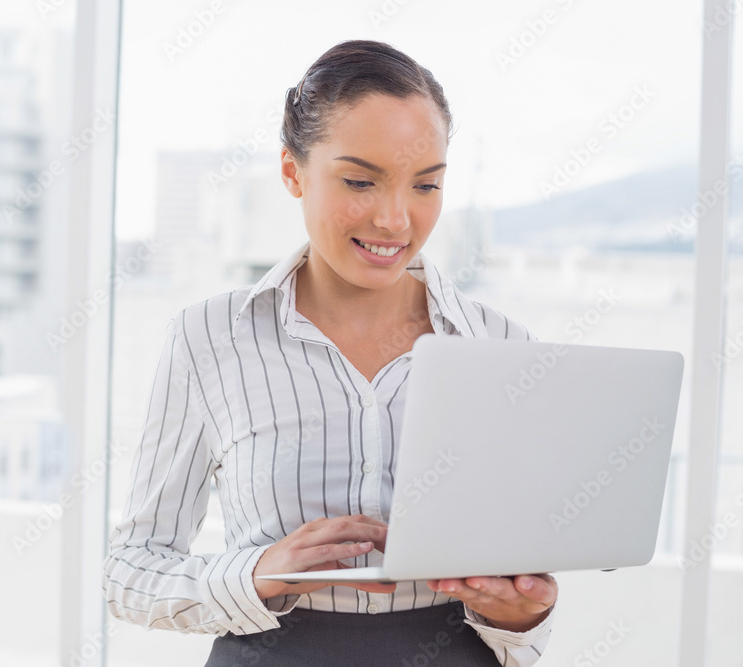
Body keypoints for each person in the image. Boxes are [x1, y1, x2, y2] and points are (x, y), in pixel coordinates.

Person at [103, 39, 558, 666]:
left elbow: (524, 611)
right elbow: (130, 574)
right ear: (293, 172)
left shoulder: (504, 349)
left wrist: (524, 614)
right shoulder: (208, 338)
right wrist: (256, 574)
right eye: (360, 181)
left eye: (425, 185)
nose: (396, 219)